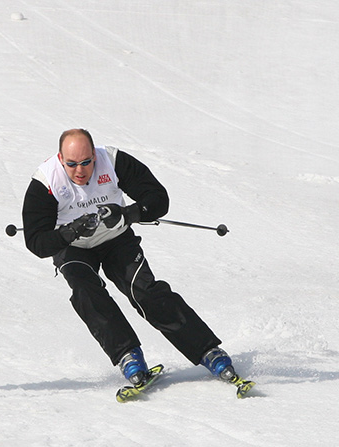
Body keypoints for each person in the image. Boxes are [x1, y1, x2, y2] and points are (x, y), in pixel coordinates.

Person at [22, 128, 241, 388]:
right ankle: (128, 355)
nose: (79, 171)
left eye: (85, 162)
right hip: (73, 247)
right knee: (86, 291)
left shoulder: (113, 161)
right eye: (71, 164)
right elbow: (36, 241)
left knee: (144, 291)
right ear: (60, 159)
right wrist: (69, 233)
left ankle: (208, 351)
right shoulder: (46, 181)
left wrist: (128, 214)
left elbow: (158, 198)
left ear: (94, 155)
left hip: (116, 238)